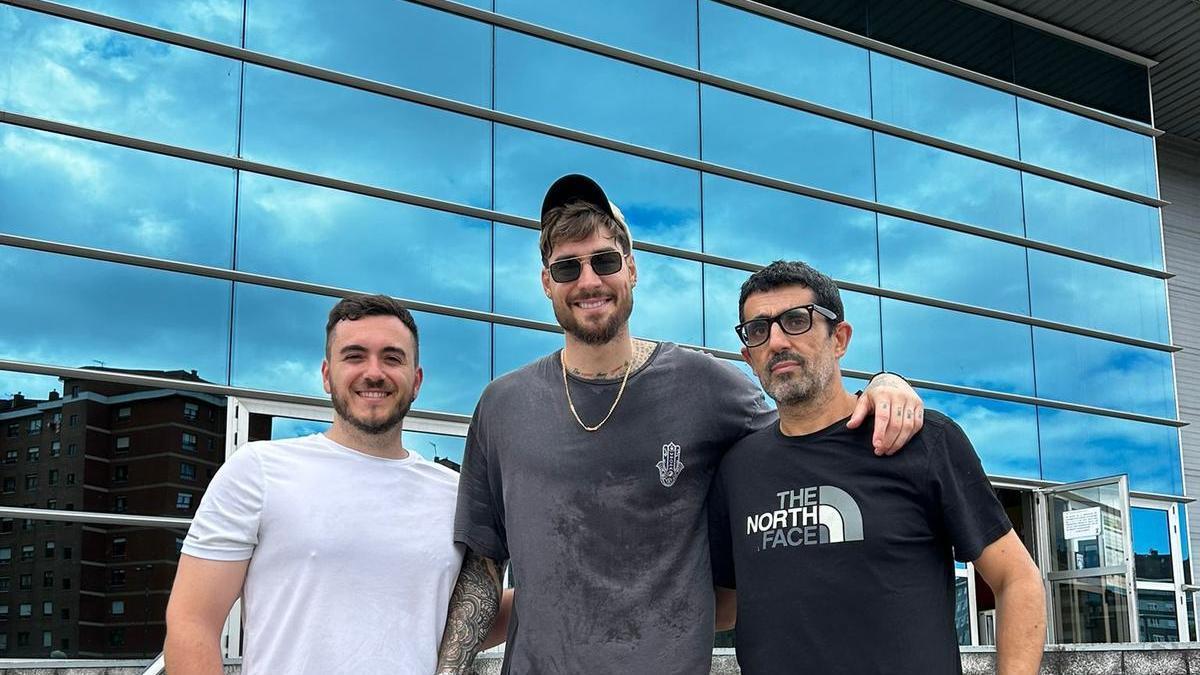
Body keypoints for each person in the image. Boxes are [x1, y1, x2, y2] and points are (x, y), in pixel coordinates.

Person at [435, 175, 926, 674]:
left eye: (604, 261)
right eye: (567, 267)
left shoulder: (708, 387)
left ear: (631, 269)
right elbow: (483, 564)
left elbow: (805, 433)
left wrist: (883, 385)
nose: (588, 281)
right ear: (546, 282)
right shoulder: (502, 407)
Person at [708, 260, 1046, 674]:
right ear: (748, 354)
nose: (776, 341)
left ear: (840, 339)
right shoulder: (738, 469)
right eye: (759, 330)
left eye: (796, 320)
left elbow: (1017, 580)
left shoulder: (920, 440)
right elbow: (722, 608)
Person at [165, 294, 498, 674]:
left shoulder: (455, 494)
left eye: (392, 358)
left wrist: (568, 582)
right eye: (354, 356)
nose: (374, 372)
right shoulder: (257, 471)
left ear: (416, 380)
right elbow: (193, 621)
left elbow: (455, 623)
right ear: (327, 375)